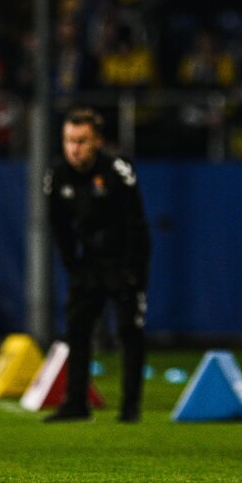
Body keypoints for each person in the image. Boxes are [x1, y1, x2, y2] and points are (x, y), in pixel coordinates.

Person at [43, 107, 151, 422]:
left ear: (97, 142)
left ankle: (130, 406)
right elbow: (59, 228)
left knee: (129, 330)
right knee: (77, 329)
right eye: (69, 141)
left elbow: (136, 224)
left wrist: (134, 272)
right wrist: (73, 265)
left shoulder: (117, 171)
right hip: (88, 262)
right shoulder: (57, 175)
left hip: (123, 259)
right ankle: (76, 403)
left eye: (82, 141)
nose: (74, 149)